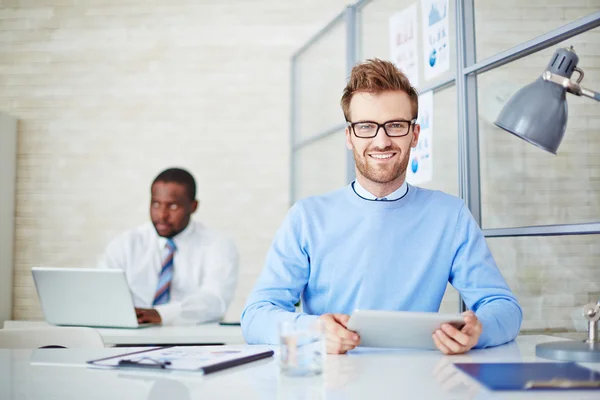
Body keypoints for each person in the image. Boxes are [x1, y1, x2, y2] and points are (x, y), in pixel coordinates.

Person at [241, 59, 522, 354]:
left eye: (396, 125)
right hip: (334, 383)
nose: (382, 140)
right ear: (349, 136)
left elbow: (504, 308)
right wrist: (315, 331)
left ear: (414, 134)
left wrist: (479, 331)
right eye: (366, 127)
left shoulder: (450, 216)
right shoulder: (307, 218)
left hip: (421, 381)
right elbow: (255, 316)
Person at [99, 168, 238, 325]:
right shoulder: (124, 244)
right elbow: (103, 294)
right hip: (132, 340)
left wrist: (161, 314)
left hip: (198, 342)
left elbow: (216, 300)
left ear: (193, 206)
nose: (162, 215)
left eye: (172, 206)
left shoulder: (218, 244)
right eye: (156, 204)